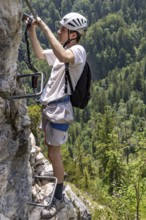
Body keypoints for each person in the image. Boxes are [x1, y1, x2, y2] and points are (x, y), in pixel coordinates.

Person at [28, 12, 88, 219]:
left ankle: (59, 198)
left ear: (73, 34)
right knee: (51, 149)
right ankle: (57, 185)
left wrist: (44, 27)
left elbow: (64, 58)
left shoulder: (78, 51)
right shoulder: (62, 49)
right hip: (51, 108)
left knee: (55, 153)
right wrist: (32, 30)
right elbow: (39, 55)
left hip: (60, 110)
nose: (59, 31)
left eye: (63, 29)